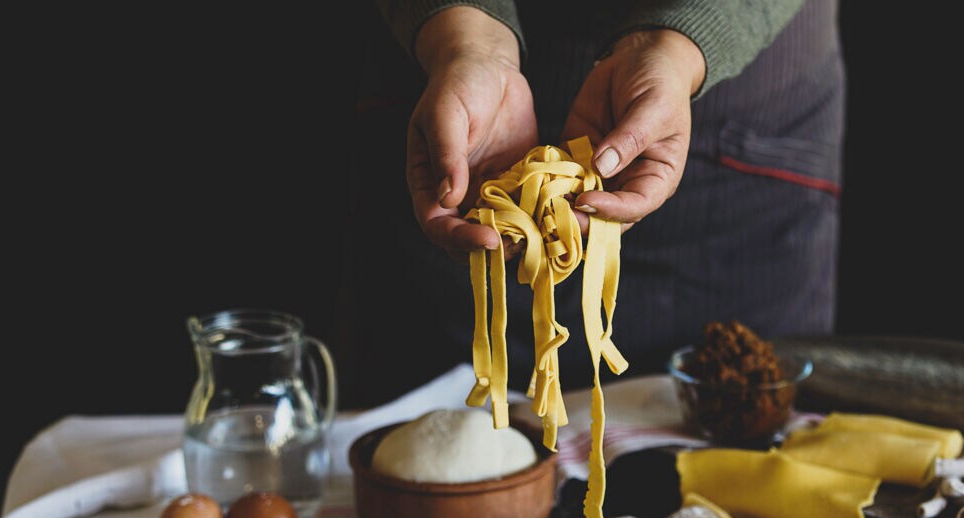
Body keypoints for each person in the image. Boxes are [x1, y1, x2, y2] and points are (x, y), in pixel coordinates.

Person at [341, 0, 843, 406]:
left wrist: (678, 44)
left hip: (733, 120)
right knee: (438, 448)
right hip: (453, 95)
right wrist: (465, 38)